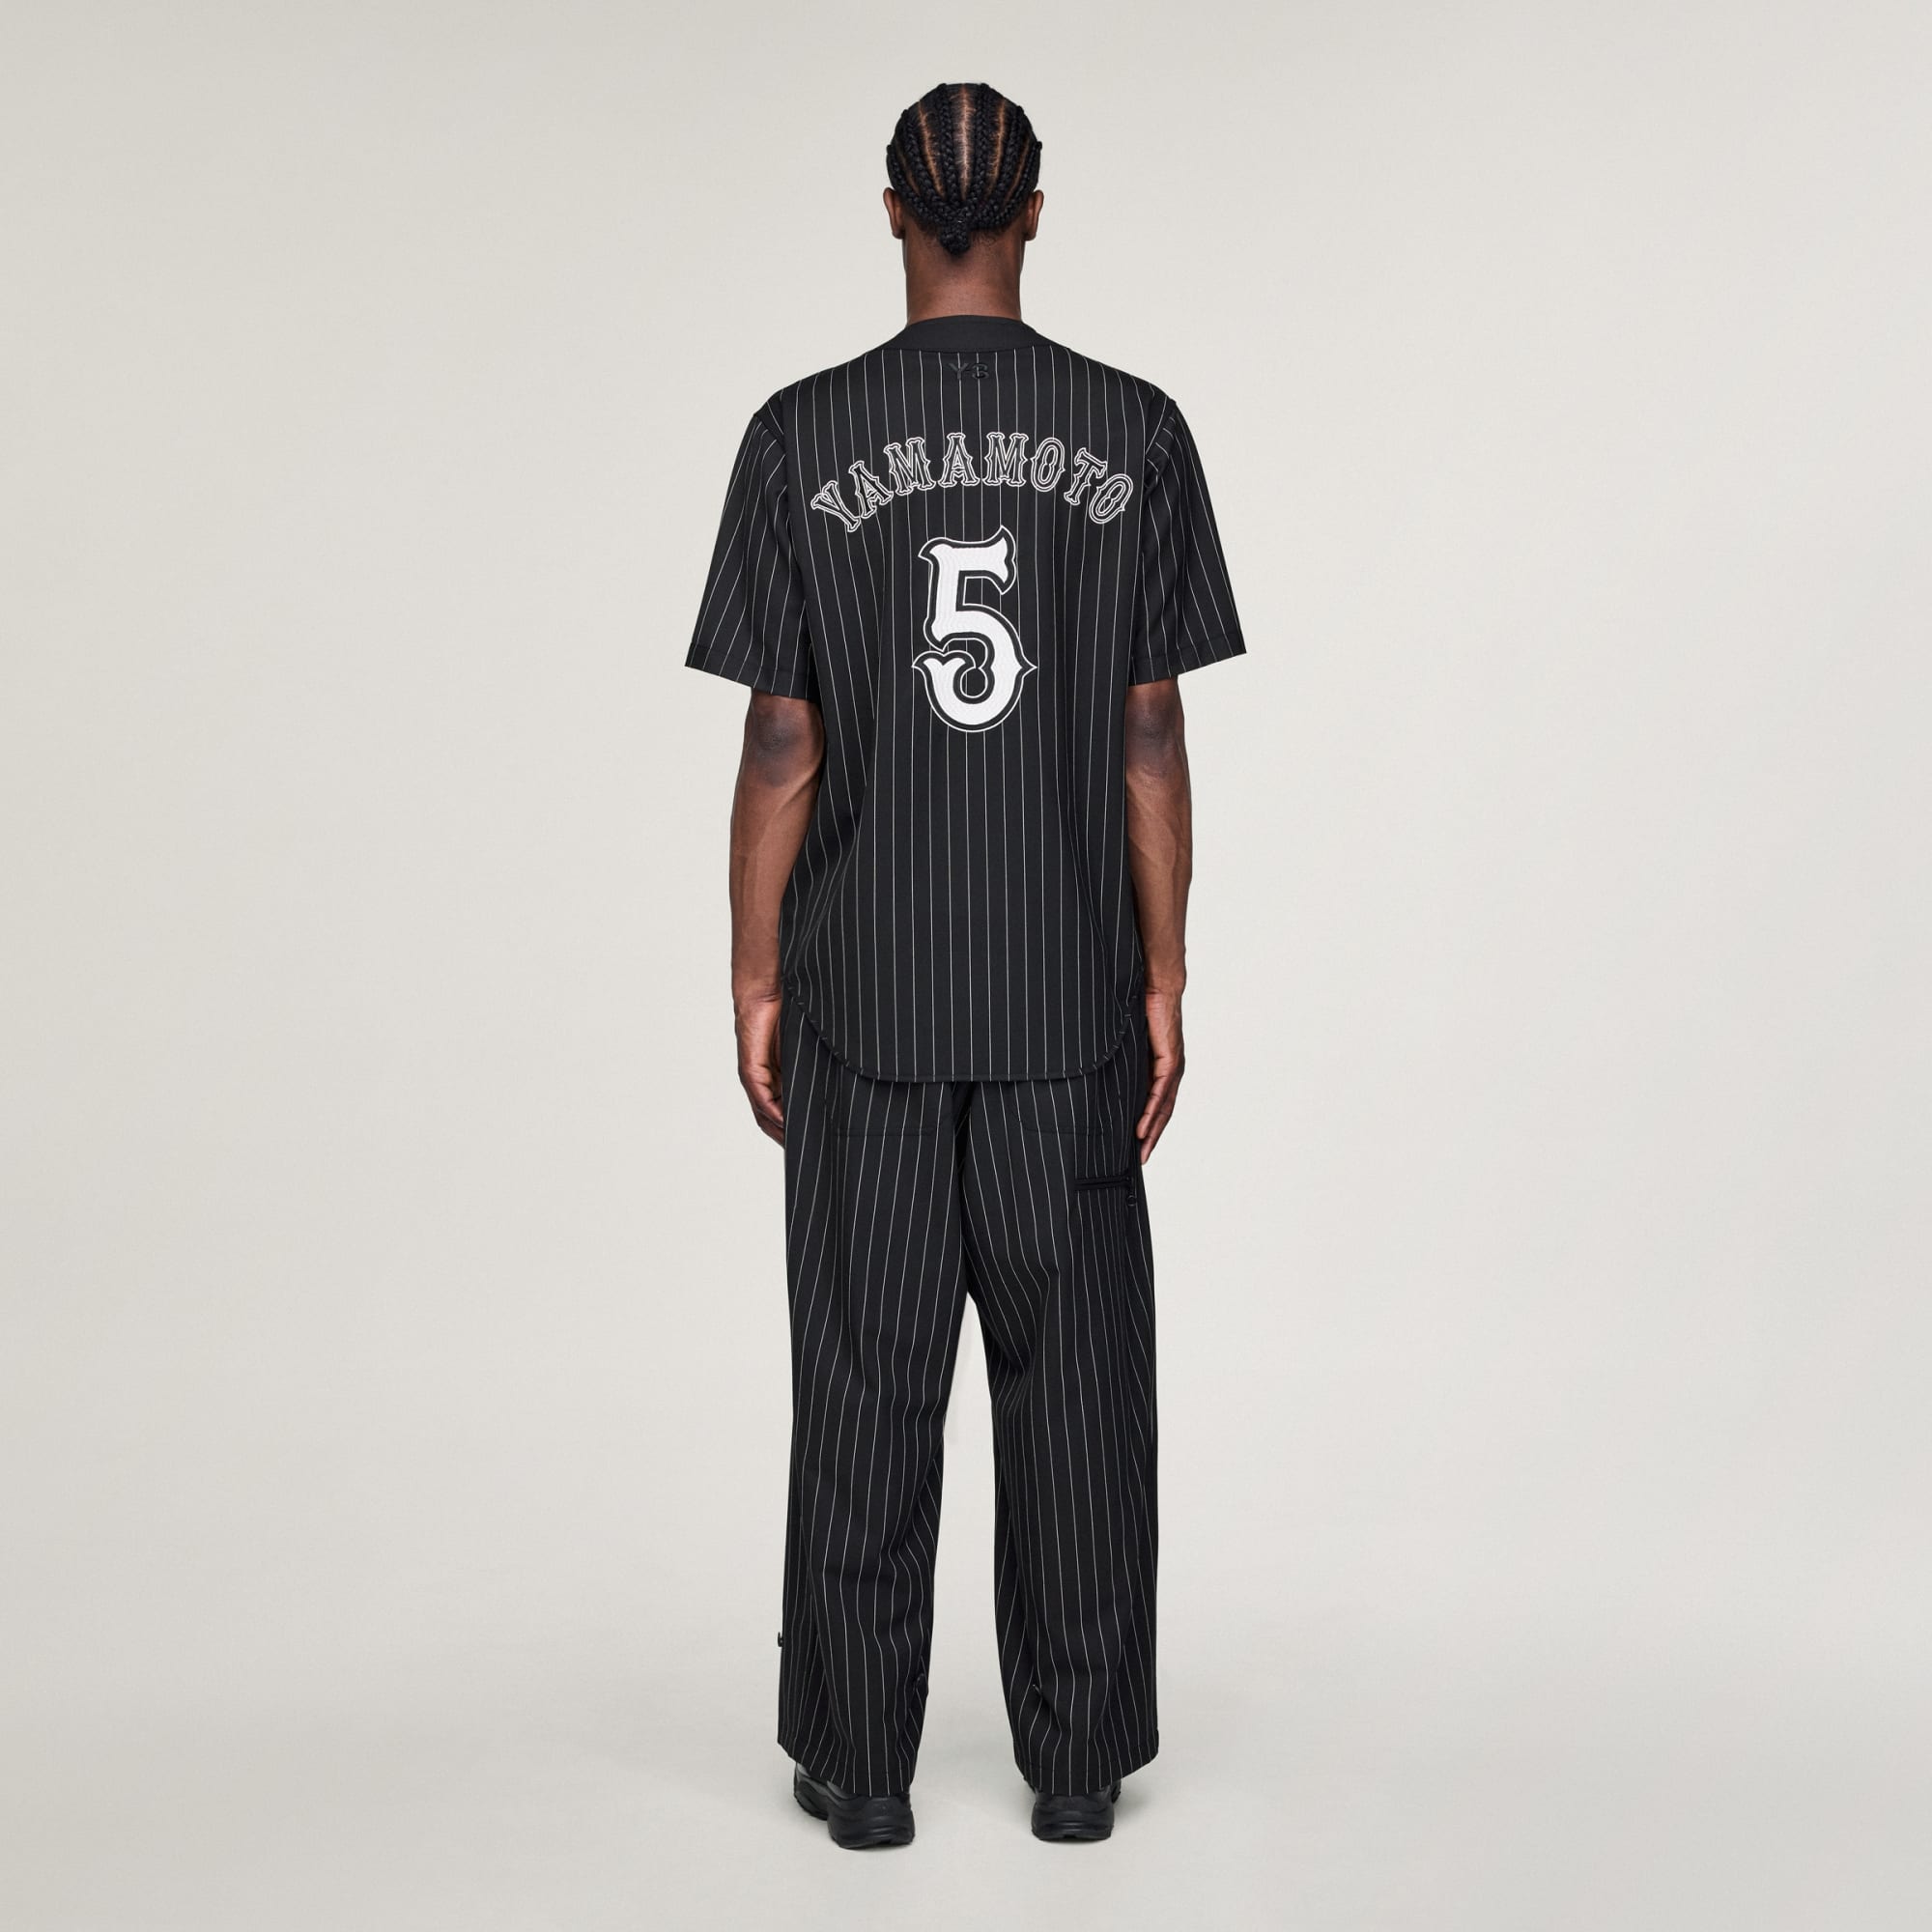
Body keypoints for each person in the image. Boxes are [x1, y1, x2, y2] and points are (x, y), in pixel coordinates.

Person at [685, 81, 1244, 1849]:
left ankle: (862, 1772)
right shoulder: (1134, 432)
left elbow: (783, 738)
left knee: (866, 1385)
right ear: (1034, 212)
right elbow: (1148, 731)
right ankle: (1075, 1771)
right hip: (1066, 996)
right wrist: (1165, 975)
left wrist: (756, 973)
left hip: (866, 1001)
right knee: (1074, 1391)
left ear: (891, 211)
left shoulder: (800, 437)